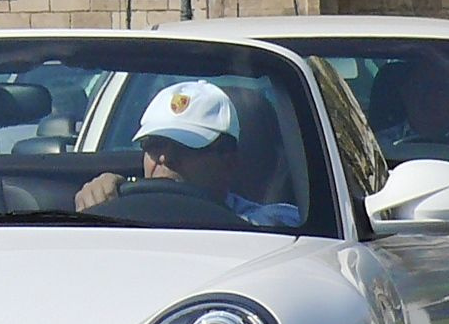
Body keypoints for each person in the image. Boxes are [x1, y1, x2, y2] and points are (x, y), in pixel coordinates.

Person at [74, 79, 301, 228]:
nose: (165, 158)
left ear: (229, 160)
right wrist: (100, 203)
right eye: (154, 144)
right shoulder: (116, 206)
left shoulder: (269, 221)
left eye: (185, 147)